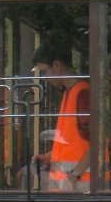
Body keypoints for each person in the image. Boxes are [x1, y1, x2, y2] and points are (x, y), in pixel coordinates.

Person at [32, 41, 90, 191]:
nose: (44, 78)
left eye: (44, 72)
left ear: (57, 65)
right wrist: (50, 157)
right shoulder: (69, 93)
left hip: (82, 190)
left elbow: (98, 142)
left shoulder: (83, 95)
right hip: (68, 190)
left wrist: (75, 174)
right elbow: (73, 144)